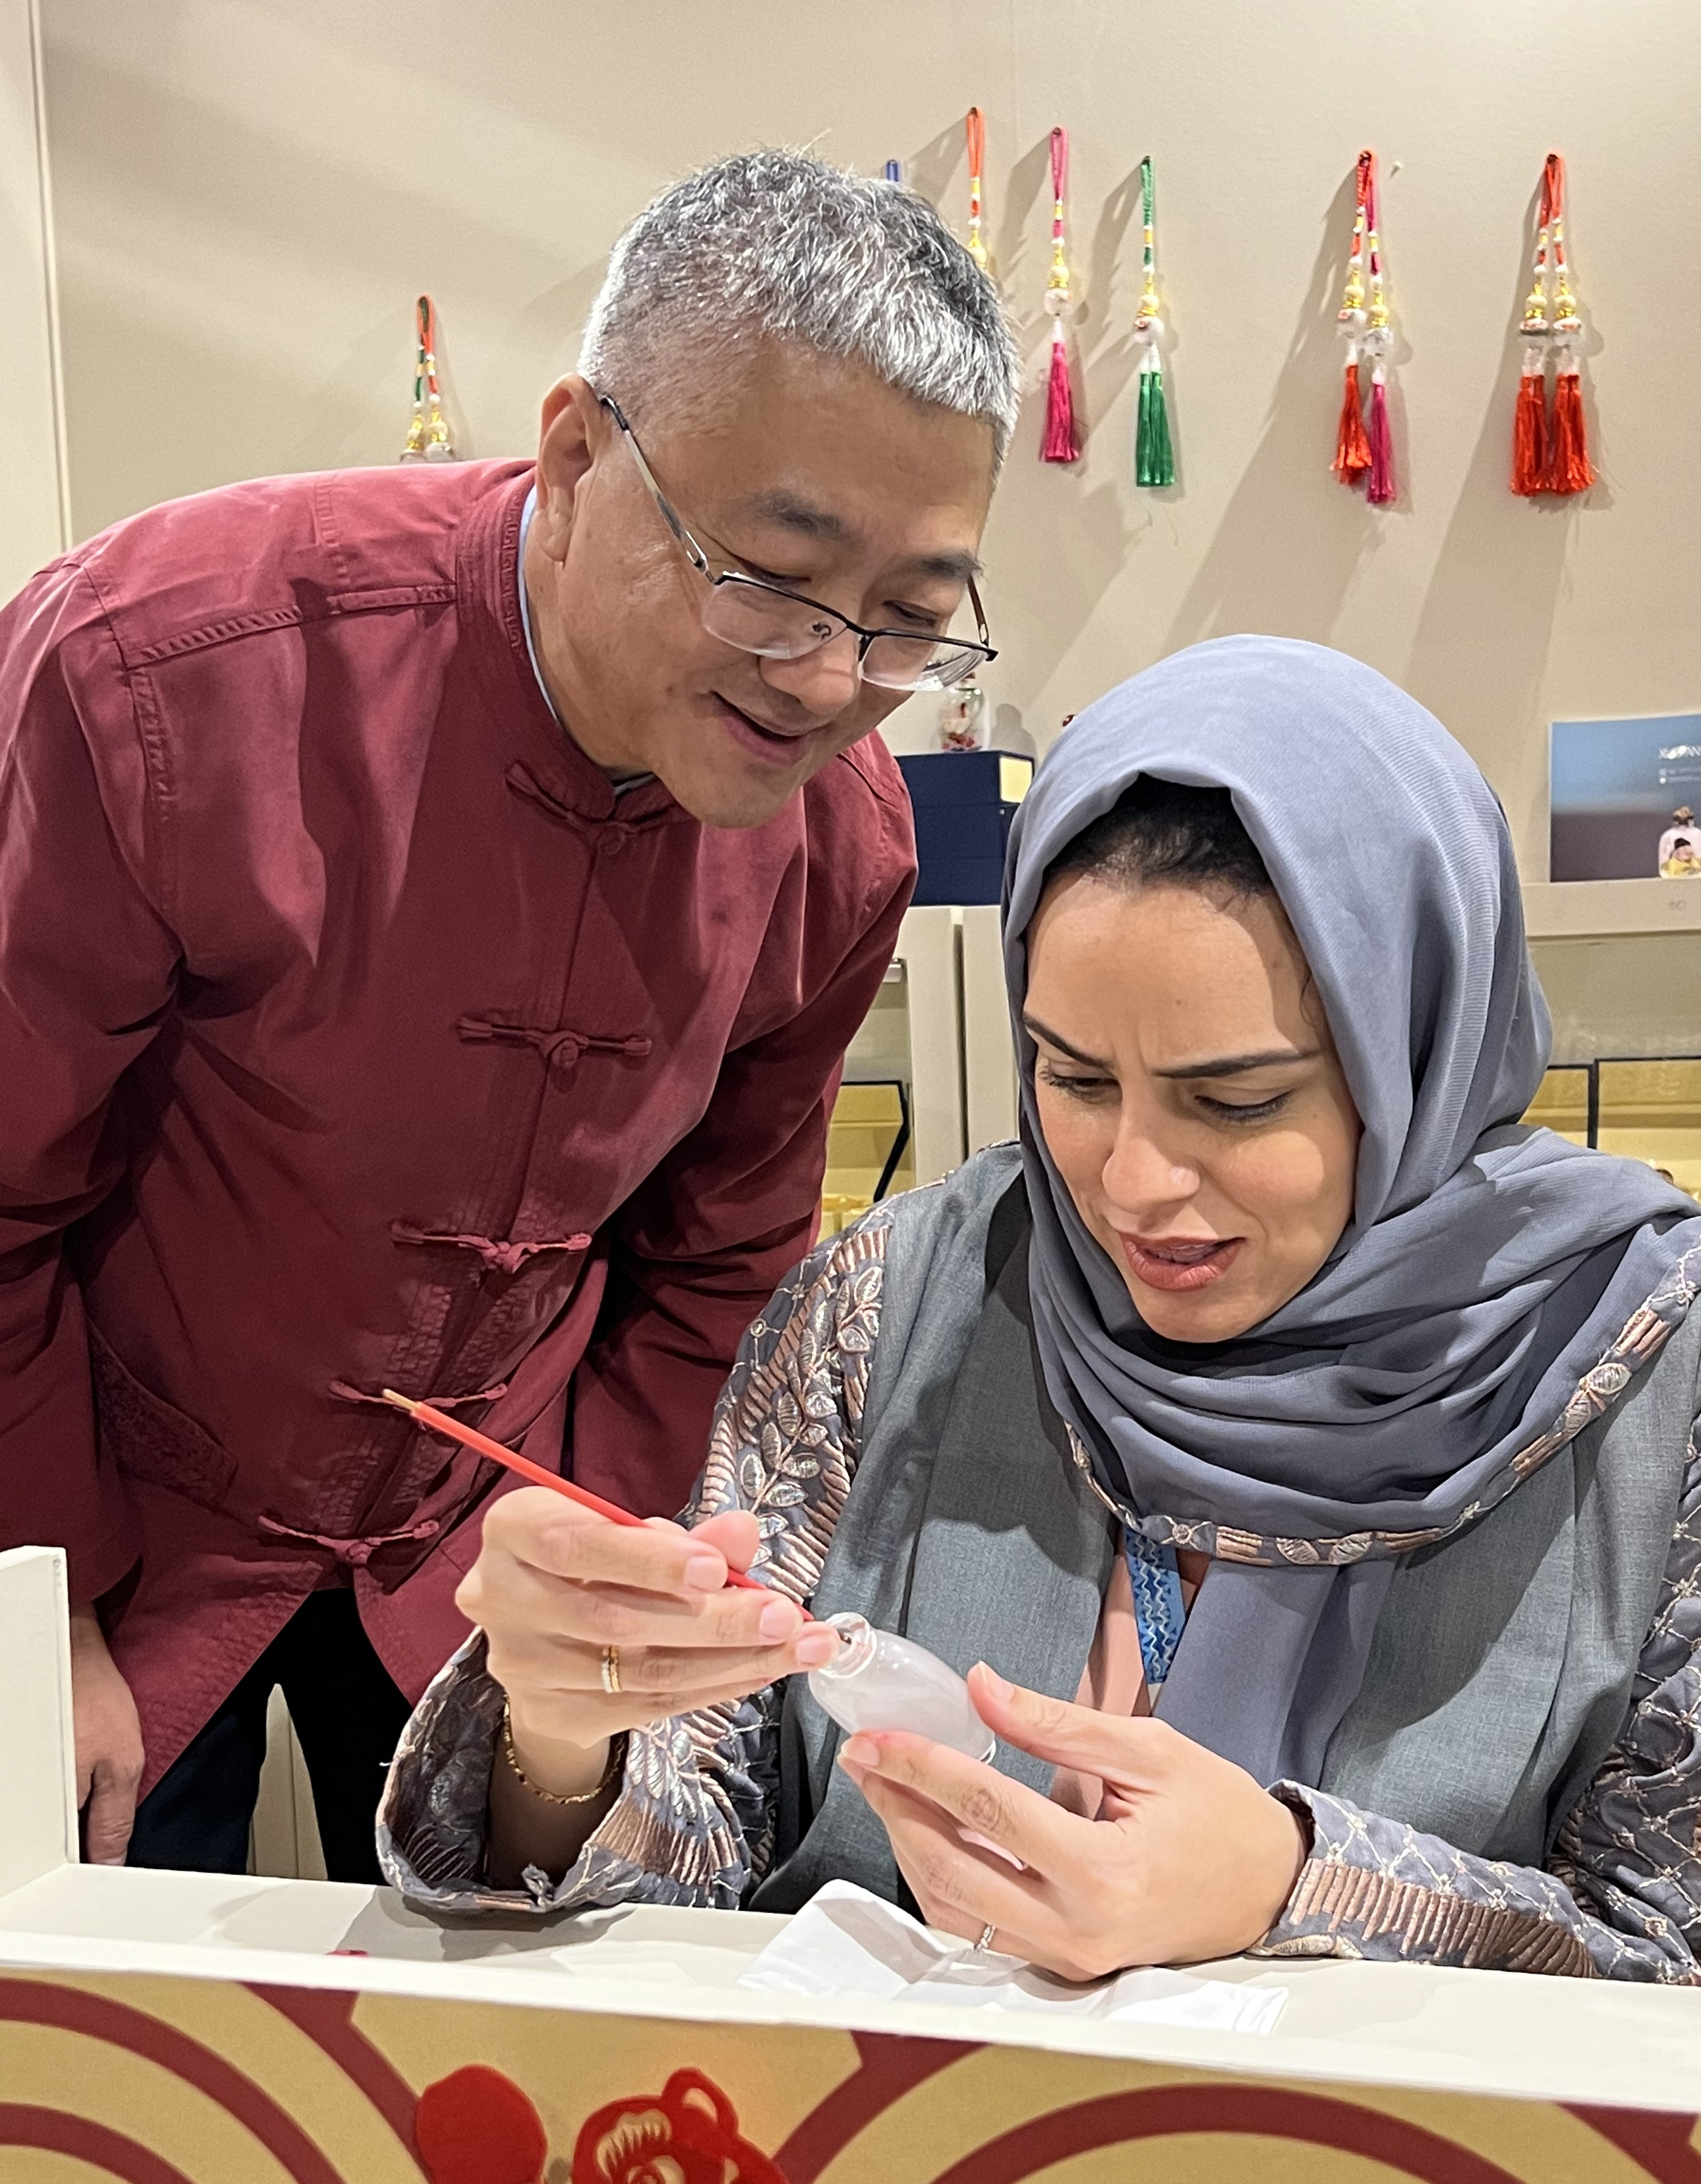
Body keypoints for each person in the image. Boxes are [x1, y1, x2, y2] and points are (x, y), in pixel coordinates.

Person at [382, 639, 1701, 1993]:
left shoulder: (1666, 1361)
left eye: (1238, 1099)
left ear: (1418, 1052)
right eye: (1074, 1081)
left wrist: (1301, 1885)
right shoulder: (896, 1300)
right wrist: (565, 1738)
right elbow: (705, 1830)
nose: (1134, 1185)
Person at [0, 152, 1015, 1876]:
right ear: (575, 455)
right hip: (95, 1495)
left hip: (486, 1539)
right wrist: (40, 1600)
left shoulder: (840, 846)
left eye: (911, 621)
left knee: (496, 1974)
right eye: (773, 579)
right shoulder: (155, 670)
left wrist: (590, 1568)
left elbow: (717, 1267)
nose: (832, 681)